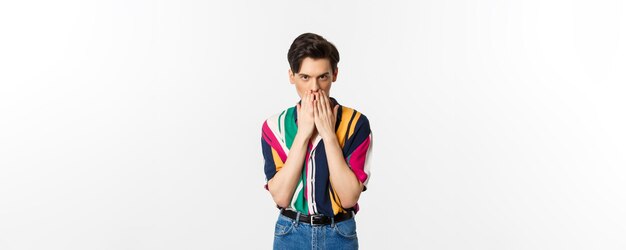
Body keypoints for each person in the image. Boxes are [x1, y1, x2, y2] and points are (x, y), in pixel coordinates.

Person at [261, 32, 373, 250]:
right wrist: (303, 134)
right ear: (291, 76)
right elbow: (282, 197)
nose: (314, 87)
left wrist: (329, 135)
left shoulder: (356, 124)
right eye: (305, 77)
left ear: (335, 75)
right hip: (290, 232)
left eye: (323, 77)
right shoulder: (275, 127)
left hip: (339, 233)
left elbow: (349, 197)